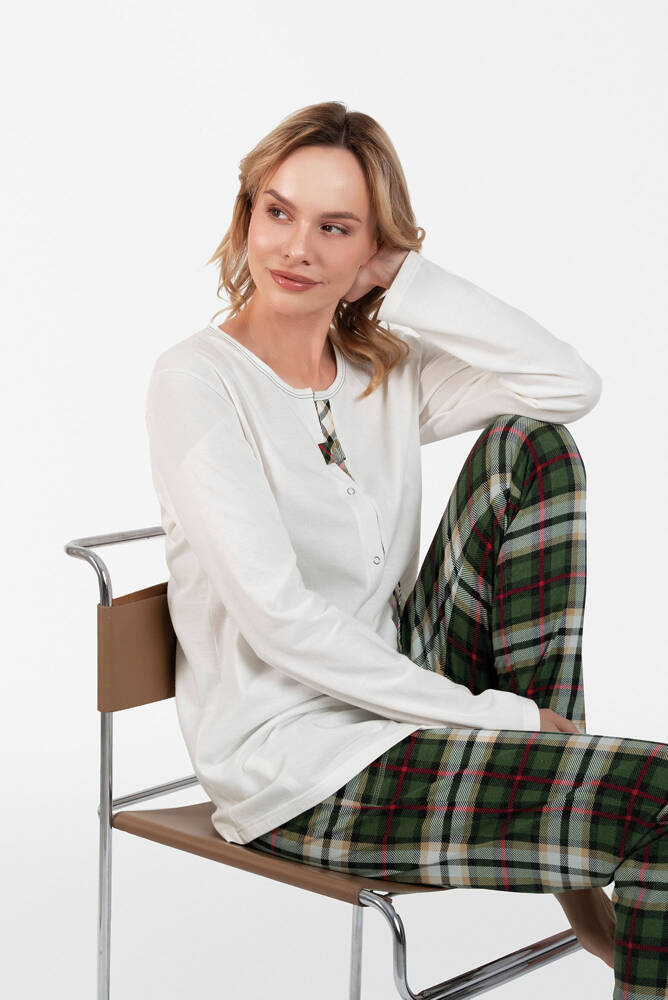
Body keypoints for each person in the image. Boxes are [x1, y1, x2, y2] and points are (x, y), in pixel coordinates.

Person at [144, 101, 667, 998]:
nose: (296, 248)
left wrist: (406, 279)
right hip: (300, 770)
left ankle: (567, 804)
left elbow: (566, 385)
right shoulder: (197, 382)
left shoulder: (379, 371)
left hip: (401, 696)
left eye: (335, 227)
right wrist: (498, 719)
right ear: (247, 216)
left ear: (371, 249)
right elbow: (281, 623)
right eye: (278, 212)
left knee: (531, 447)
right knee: (659, 797)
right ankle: (570, 818)